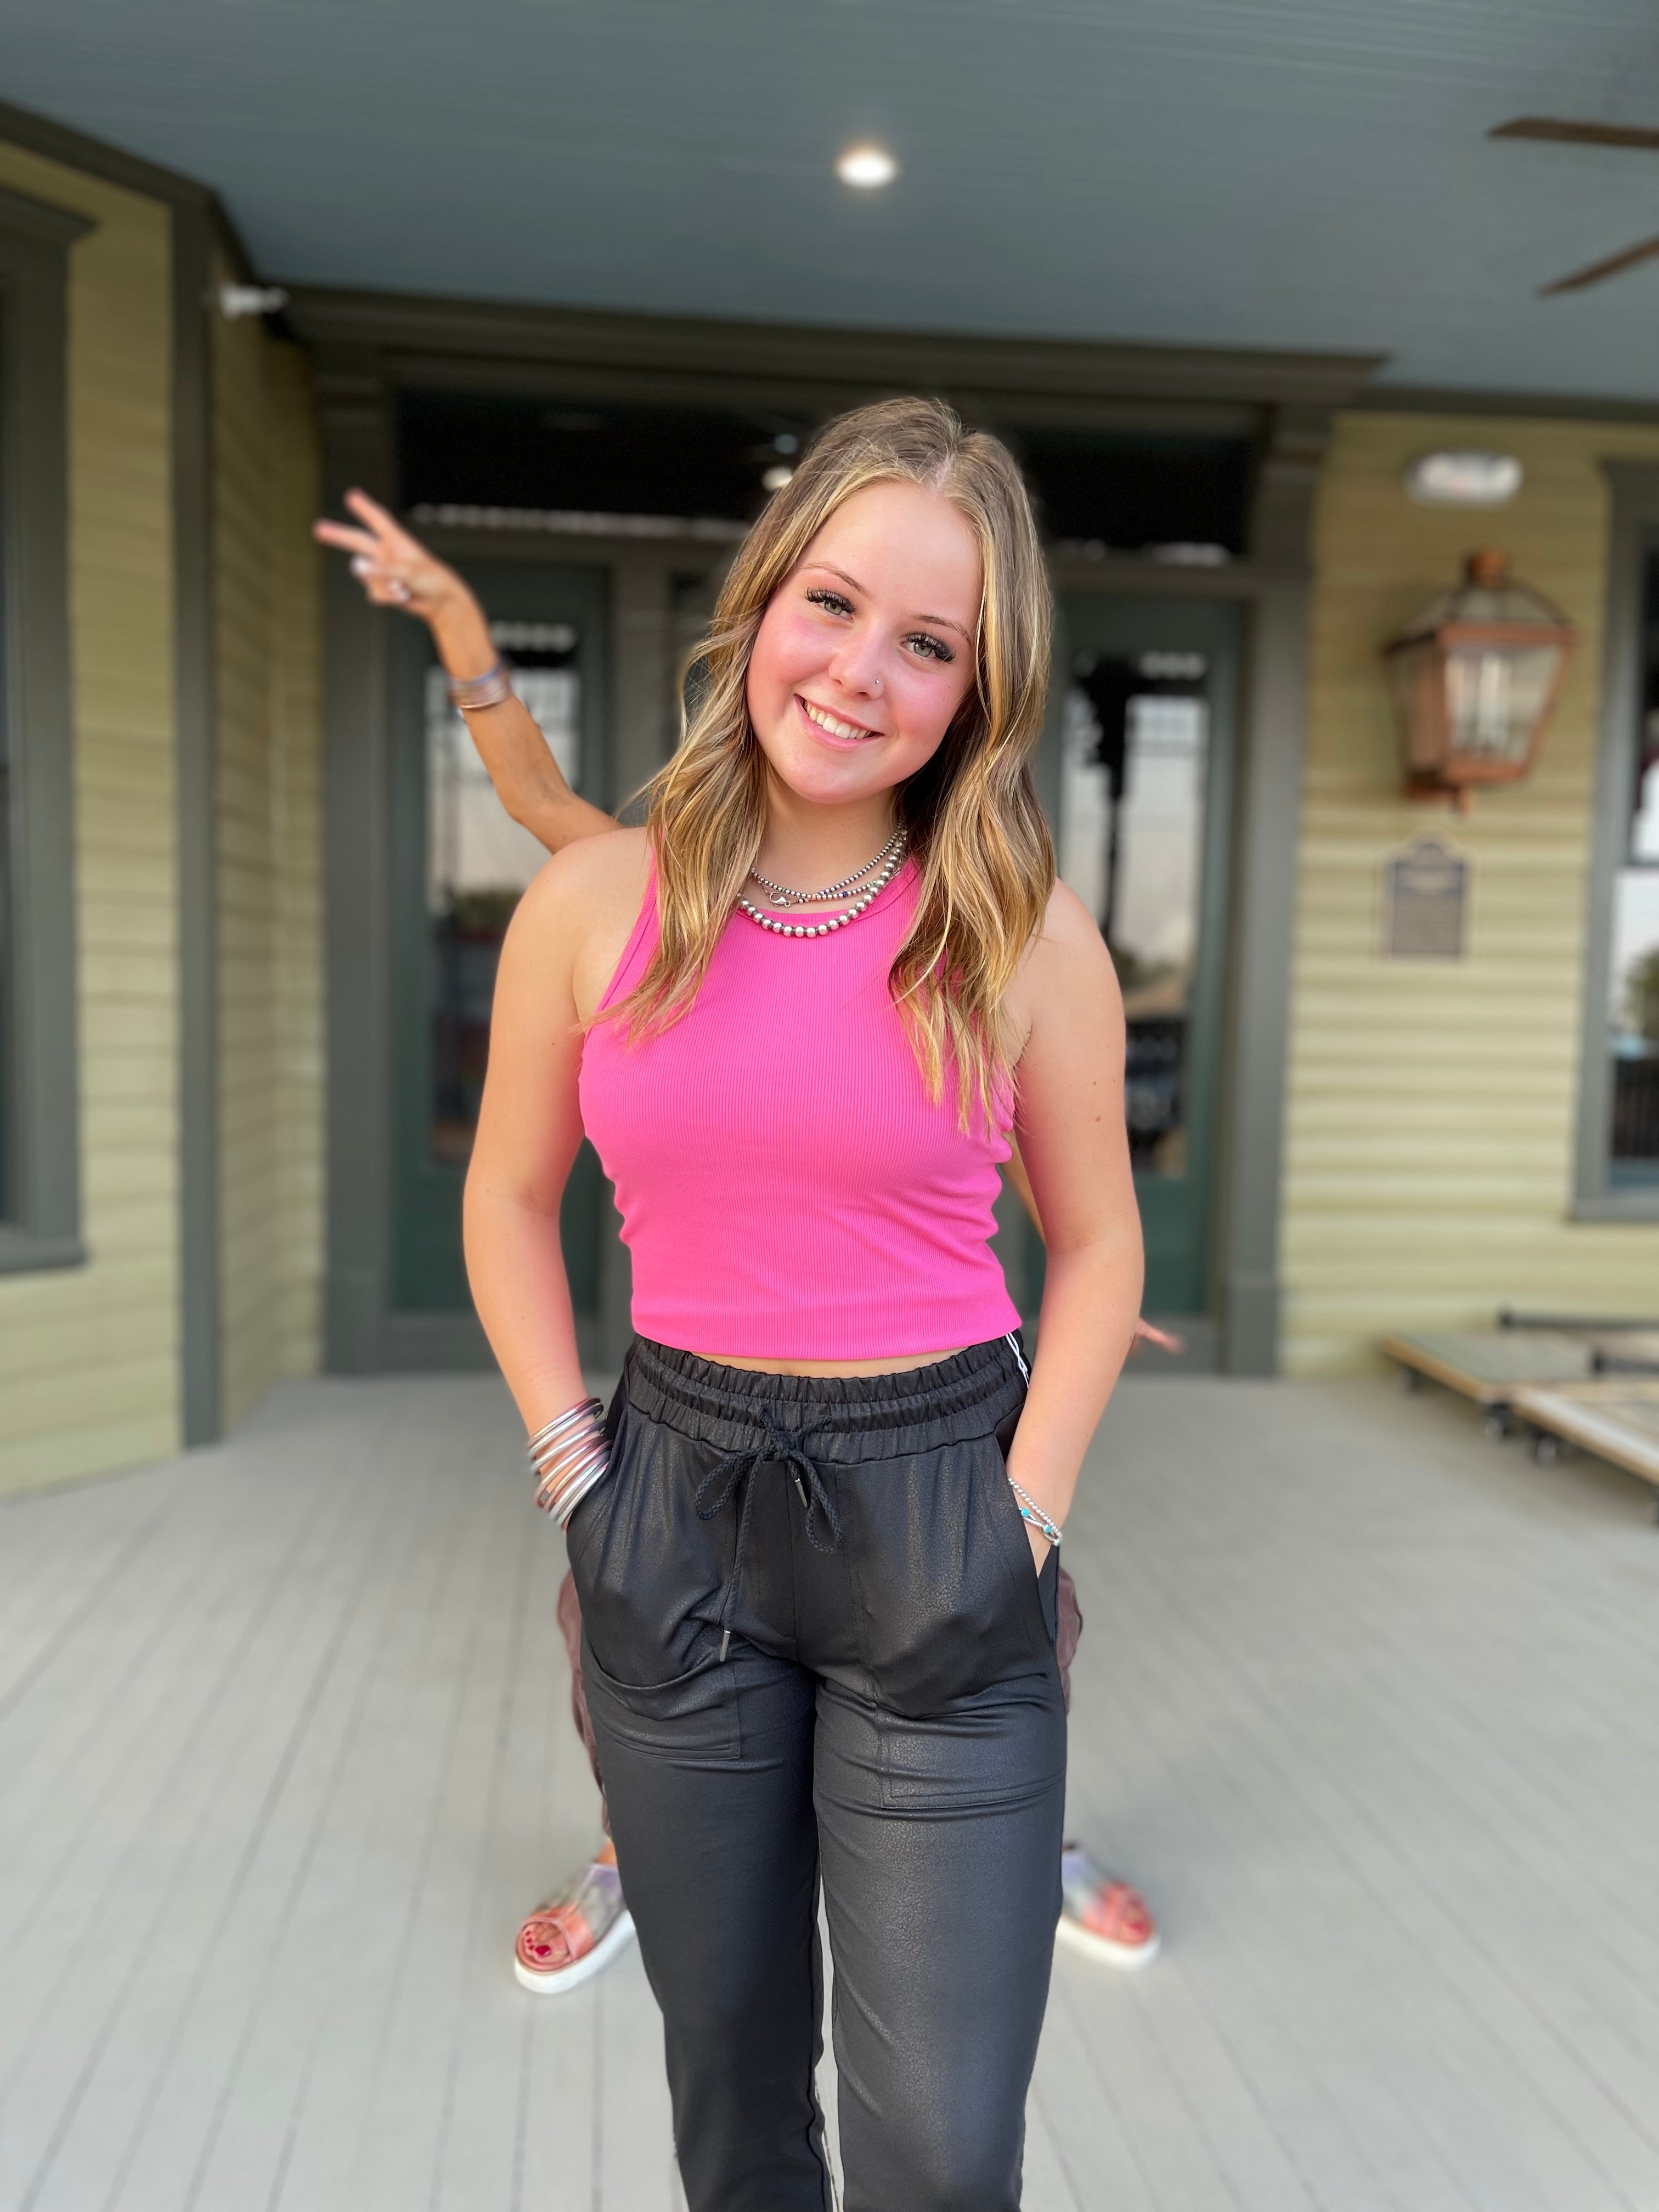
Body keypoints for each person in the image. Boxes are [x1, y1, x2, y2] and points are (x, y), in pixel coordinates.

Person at [317, 397, 1144, 2212]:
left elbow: (1098, 1250)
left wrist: (1025, 1514)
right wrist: (575, 1477)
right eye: (833, 604)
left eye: (931, 642)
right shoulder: (598, 900)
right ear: (761, 603)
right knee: (738, 2113)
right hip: (668, 1503)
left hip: (944, 1508)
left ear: (977, 691)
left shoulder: (1019, 934)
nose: (862, 672)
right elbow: (508, 1195)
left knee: (939, 2153)